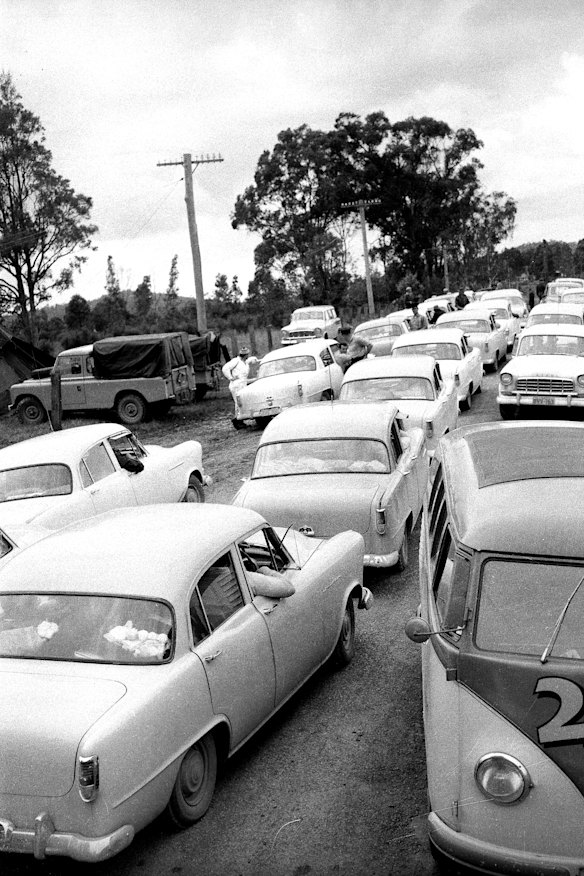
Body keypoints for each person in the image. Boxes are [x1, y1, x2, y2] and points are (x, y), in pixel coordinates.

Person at [222, 346, 258, 430]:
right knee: (238, 403)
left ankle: (240, 419)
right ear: (245, 355)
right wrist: (230, 377)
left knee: (243, 401)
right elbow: (225, 368)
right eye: (247, 355)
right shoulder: (236, 361)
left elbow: (250, 360)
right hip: (236, 385)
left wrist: (254, 359)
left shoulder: (244, 361)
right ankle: (237, 421)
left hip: (243, 384)